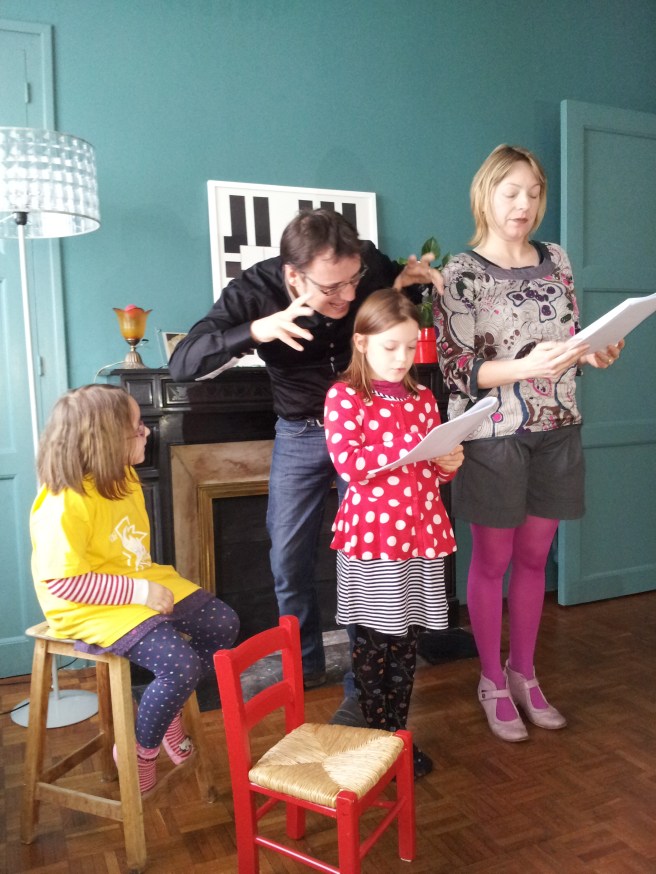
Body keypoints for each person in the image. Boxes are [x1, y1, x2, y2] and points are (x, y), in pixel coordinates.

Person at [169, 208, 437, 695]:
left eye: (353, 281)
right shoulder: (254, 290)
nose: (348, 296)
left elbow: (391, 310)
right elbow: (183, 362)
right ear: (294, 275)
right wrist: (256, 331)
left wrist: (410, 286)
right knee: (287, 558)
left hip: (369, 431)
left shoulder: (366, 264)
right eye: (332, 288)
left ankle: (365, 680)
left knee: (368, 558)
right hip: (300, 434)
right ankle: (305, 665)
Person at [434, 144, 623, 742]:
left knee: (536, 559)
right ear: (485, 194)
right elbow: (457, 368)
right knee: (493, 561)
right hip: (494, 434)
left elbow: (568, 338)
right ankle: (491, 680)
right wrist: (525, 367)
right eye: (511, 192)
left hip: (558, 426)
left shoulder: (557, 258)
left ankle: (524, 673)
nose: (524, 204)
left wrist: (593, 352)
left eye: (534, 193)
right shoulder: (460, 271)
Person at [30, 384, 239, 792]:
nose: (147, 432)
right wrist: (140, 594)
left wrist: (143, 587)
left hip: (135, 580)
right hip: (86, 602)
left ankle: (166, 708)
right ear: (105, 441)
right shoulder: (64, 502)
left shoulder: (120, 475)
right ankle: (140, 752)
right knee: (180, 665)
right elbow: (65, 581)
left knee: (222, 623)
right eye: (137, 427)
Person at [323, 289, 463, 777]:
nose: (402, 358)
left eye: (409, 346)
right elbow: (350, 465)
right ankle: (376, 745)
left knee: (405, 644)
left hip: (419, 537)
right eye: (390, 347)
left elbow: (431, 472)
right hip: (374, 541)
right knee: (373, 644)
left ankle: (397, 738)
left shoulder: (423, 398)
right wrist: (415, 443)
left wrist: (447, 462)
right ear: (362, 343)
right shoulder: (345, 397)